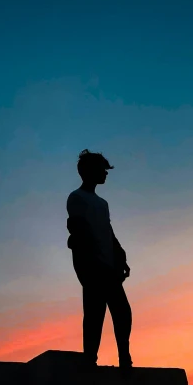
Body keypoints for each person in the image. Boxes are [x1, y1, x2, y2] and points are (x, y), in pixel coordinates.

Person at [66, 149, 133, 373]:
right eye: (102, 169)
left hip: (109, 266)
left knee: (121, 311)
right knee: (95, 315)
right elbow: (78, 231)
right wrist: (88, 265)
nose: (105, 173)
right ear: (88, 171)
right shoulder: (76, 198)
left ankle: (125, 357)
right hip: (93, 267)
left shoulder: (102, 203)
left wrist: (120, 254)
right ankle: (90, 361)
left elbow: (108, 230)